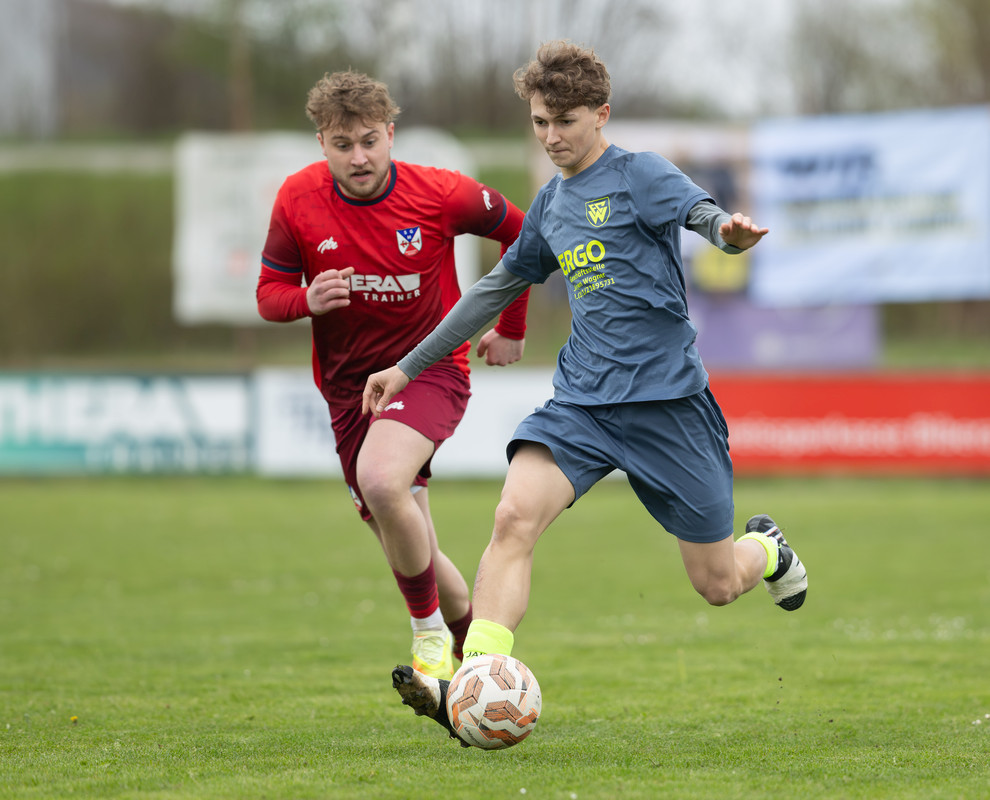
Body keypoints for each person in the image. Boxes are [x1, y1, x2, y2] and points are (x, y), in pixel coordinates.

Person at [362, 41, 808, 745]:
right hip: (582, 404)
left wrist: (726, 233)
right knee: (513, 518)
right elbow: (493, 290)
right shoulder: (550, 204)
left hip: (668, 406)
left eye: (564, 121)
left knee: (718, 582)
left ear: (601, 114)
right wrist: (408, 367)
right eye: (540, 122)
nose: (550, 137)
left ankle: (769, 549)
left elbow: (701, 214)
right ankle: (477, 678)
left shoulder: (640, 174)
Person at [256, 70, 530, 681]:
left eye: (369, 141)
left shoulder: (440, 194)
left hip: (428, 370)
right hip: (348, 393)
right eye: (342, 144)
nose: (359, 157)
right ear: (321, 144)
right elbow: (268, 294)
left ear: (391, 135)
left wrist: (511, 325)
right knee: (416, 549)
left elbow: (525, 235)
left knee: (381, 482)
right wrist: (305, 300)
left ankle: (428, 637)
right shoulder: (297, 199)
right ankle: (482, 672)